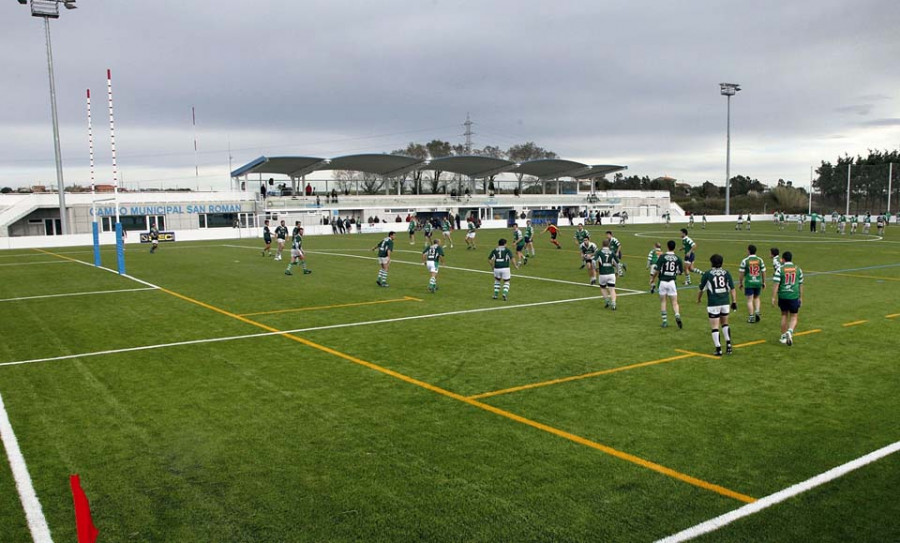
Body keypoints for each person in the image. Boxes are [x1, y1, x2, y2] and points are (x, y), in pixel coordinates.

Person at [698, 254, 738, 356]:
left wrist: (698, 299)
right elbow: (732, 289)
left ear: (712, 263)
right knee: (725, 324)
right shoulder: (726, 273)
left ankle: (718, 348)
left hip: (713, 303)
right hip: (725, 302)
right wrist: (734, 301)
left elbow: (701, 289)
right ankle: (729, 345)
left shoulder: (707, 274)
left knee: (715, 327)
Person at [772, 250, 804, 346]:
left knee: (784, 315)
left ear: (783, 259)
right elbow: (800, 284)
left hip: (783, 295)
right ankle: (790, 332)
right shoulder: (798, 269)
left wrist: (773, 297)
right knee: (794, 316)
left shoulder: (780, 269)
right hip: (794, 295)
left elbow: (776, 284)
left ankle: (783, 336)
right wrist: (801, 297)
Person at [650, 240, 683, 329]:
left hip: (663, 282)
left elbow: (657, 270)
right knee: (675, 302)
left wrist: (652, 279)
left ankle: (664, 321)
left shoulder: (662, 257)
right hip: (672, 282)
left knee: (663, 302)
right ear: (674, 247)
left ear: (667, 247)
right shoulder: (678, 258)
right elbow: (680, 272)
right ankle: (677, 315)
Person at [738, 244, 766, 323]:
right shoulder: (760, 260)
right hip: (758, 282)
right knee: (757, 297)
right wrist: (764, 282)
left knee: (749, 300)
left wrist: (740, 283)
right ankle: (757, 311)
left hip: (749, 283)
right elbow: (763, 271)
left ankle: (751, 316)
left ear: (749, 251)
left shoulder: (745, 261)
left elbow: (741, 273)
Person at [595, 239, 619, 309]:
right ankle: (613, 303)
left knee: (603, 288)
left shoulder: (599, 252)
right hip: (611, 273)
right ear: (609, 245)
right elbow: (617, 263)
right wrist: (618, 272)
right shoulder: (612, 252)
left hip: (602, 273)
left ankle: (607, 301)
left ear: (602, 245)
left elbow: (593, 261)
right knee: (612, 289)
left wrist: (595, 269)